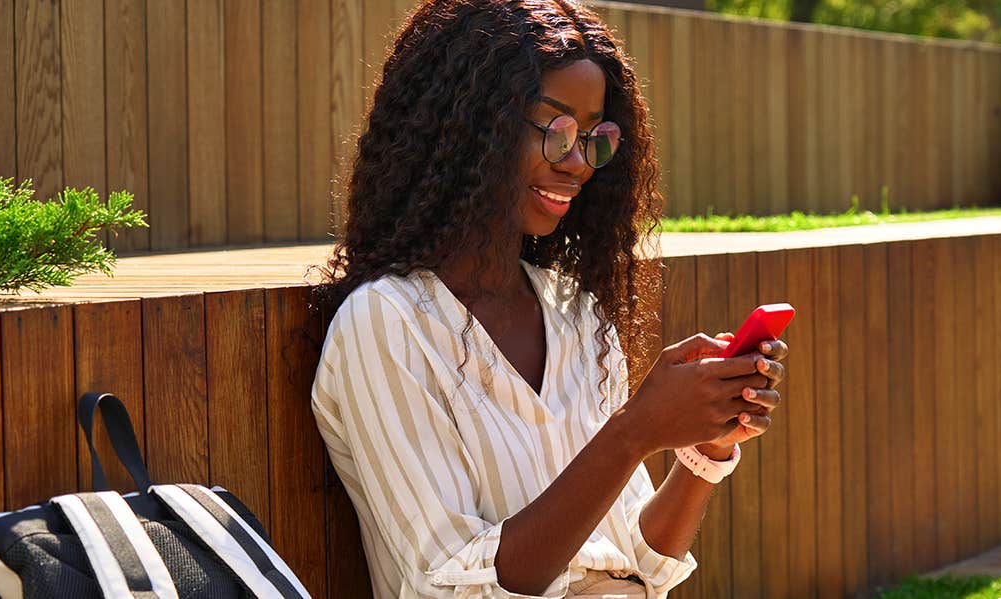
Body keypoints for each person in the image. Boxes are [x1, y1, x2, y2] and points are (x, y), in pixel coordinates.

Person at [310, 0, 789, 597]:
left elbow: (635, 556)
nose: (579, 163)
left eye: (595, 137)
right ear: (471, 125)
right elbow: (455, 585)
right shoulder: (386, 325)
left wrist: (707, 449)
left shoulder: (576, 315)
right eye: (557, 129)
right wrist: (633, 431)